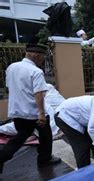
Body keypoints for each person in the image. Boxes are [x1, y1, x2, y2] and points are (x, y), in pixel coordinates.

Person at [0, 44, 61, 174]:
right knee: (46, 136)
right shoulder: (36, 71)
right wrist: (42, 114)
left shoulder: (11, 67)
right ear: (36, 56)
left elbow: (9, 87)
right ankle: (44, 159)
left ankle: (2, 158)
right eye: (42, 58)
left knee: (19, 138)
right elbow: (38, 94)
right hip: (33, 112)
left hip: (17, 111)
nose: (42, 61)